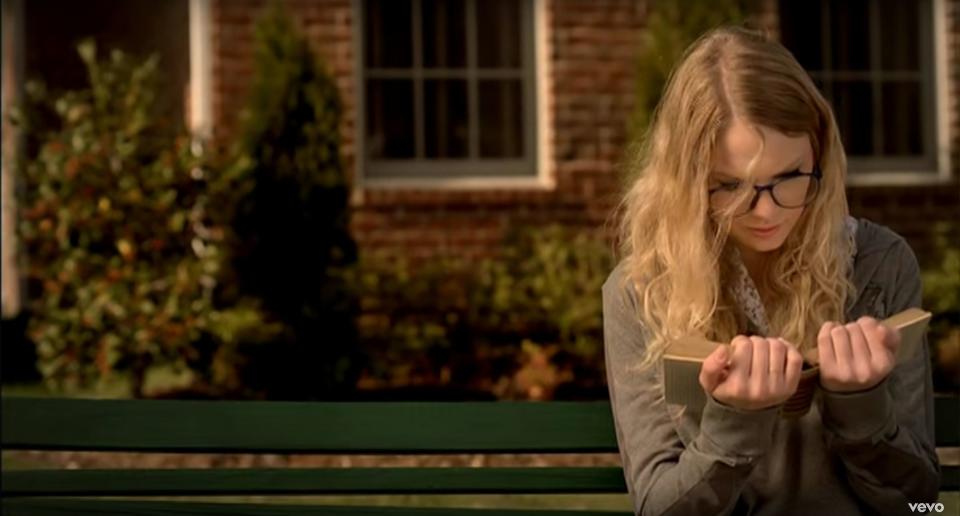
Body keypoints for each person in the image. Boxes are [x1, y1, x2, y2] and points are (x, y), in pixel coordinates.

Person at [602, 26, 940, 515]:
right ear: (688, 181)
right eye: (731, 187)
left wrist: (861, 406)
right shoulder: (642, 291)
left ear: (821, 154)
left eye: (790, 178)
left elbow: (919, 505)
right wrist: (735, 423)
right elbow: (658, 509)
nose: (766, 213)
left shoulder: (879, 263)